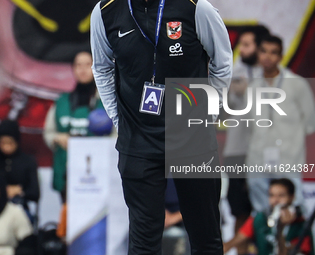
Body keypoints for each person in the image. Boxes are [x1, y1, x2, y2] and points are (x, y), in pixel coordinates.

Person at [90, 0, 233, 253]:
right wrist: (118, 119)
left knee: (206, 238)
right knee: (143, 242)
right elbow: (101, 68)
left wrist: (207, 115)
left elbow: (222, 63)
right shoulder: (105, 11)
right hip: (137, 139)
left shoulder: (197, 7)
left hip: (192, 138)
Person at [246, 35, 315, 212]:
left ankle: (294, 240)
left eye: (273, 52)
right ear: (258, 54)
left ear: (281, 56)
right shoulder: (252, 87)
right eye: (263, 51)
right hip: (258, 159)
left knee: (293, 210)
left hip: (289, 158)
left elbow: (310, 122)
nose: (268, 57)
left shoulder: (297, 84)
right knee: (262, 212)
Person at [223, 25, 269, 255]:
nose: (242, 49)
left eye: (248, 44)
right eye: (241, 44)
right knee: (239, 211)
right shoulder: (233, 72)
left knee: (266, 209)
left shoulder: (274, 75)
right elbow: (227, 103)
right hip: (237, 152)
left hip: (265, 153)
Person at [43, 51, 105, 198]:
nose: (83, 69)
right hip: (67, 172)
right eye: (78, 65)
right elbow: (48, 132)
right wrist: (57, 138)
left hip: (98, 173)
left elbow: (117, 135)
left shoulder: (105, 101)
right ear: (73, 69)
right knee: (68, 217)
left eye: (88, 65)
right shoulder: (62, 101)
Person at [224, 179, 314, 255]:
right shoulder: (260, 219)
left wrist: (280, 229)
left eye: (281, 195)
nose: (276, 200)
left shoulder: (301, 225)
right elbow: (232, 243)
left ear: (292, 197)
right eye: (272, 195)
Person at [0, 120, 40, 206]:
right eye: (3, 143)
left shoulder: (27, 161)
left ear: (17, 141)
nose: (6, 147)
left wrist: (19, 191)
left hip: (18, 205)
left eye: (10, 143)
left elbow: (35, 193)